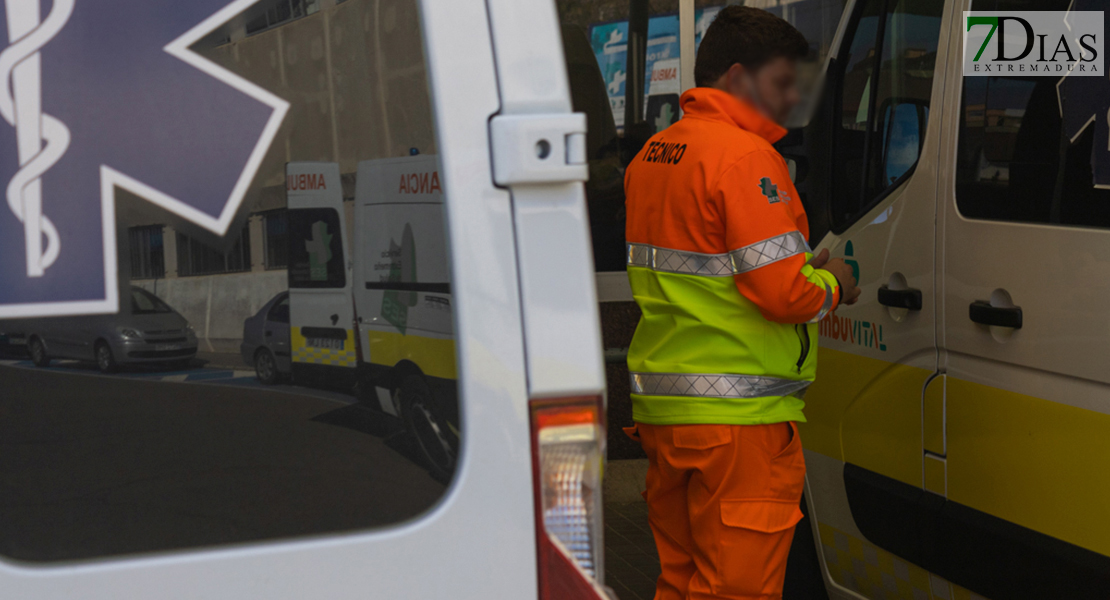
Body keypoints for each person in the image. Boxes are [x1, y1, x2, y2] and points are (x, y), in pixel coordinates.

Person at [622, 6, 862, 599]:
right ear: (735, 78)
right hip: (737, 426)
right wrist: (837, 281)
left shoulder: (653, 156)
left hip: (668, 416)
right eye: (781, 83)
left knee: (681, 582)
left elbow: (718, 266)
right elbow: (784, 292)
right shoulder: (747, 158)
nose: (790, 101)